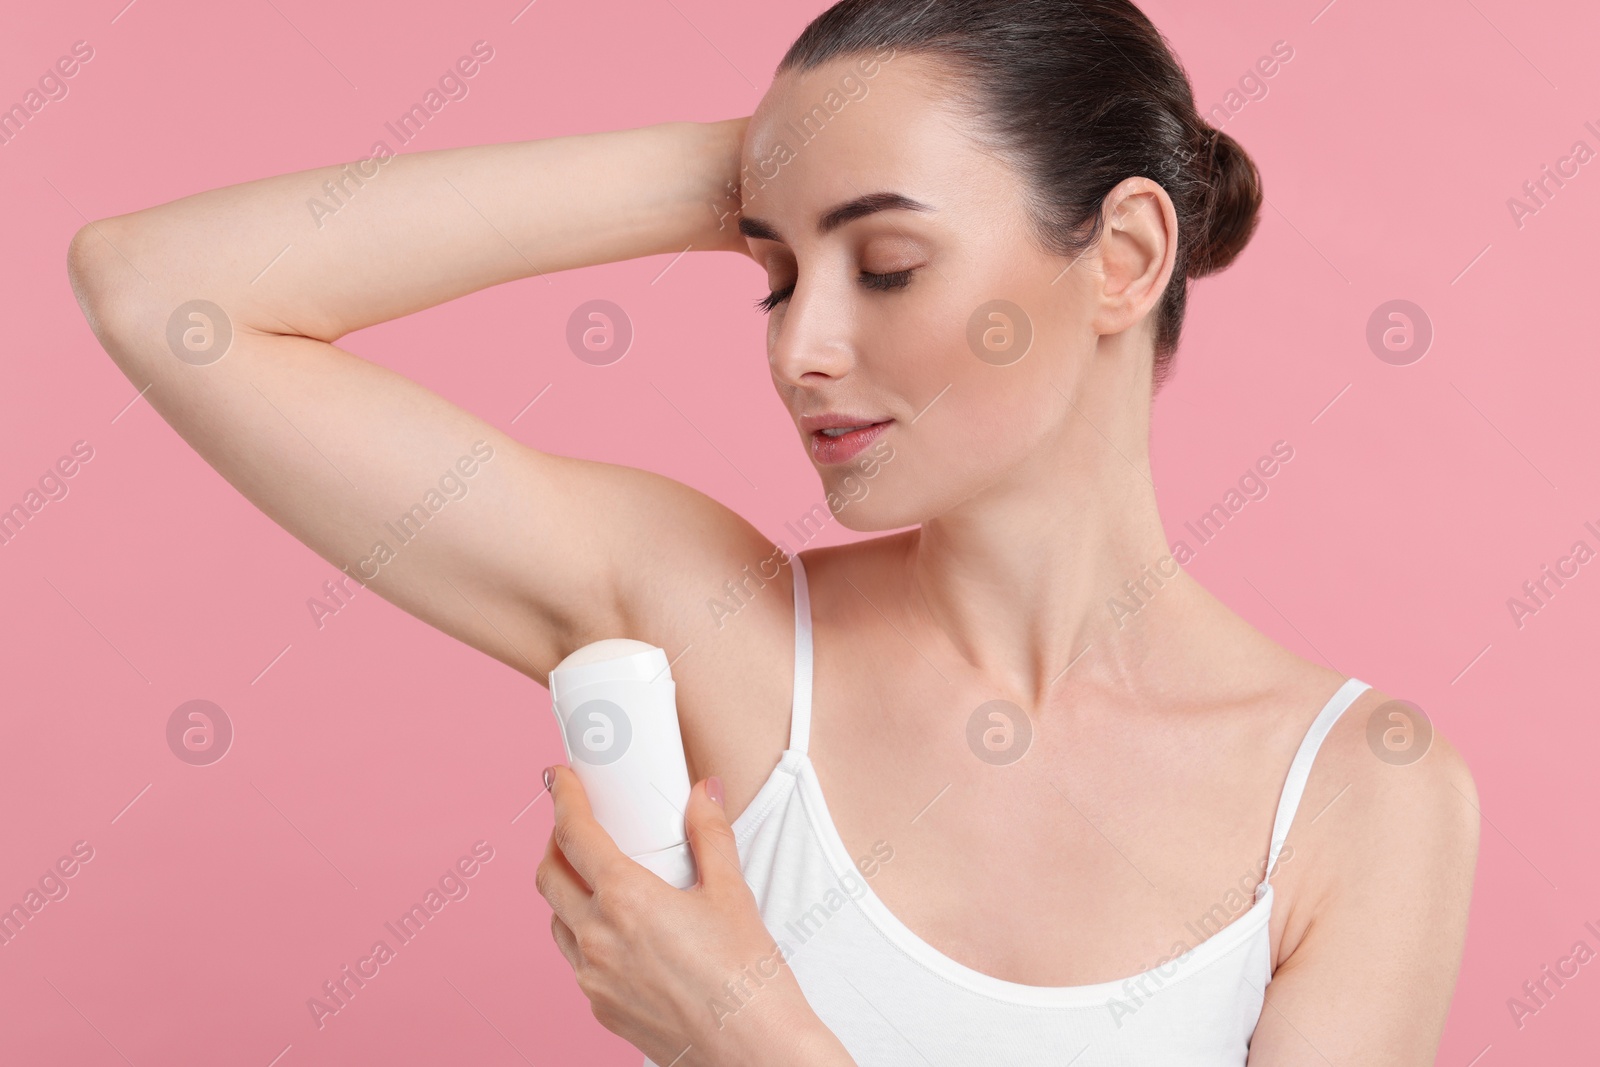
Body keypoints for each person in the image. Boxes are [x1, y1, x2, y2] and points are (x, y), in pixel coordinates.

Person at [66, 0, 1478, 1063]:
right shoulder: (723, 641)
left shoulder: (1362, 801)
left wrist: (749, 1039)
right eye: (773, 274)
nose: (801, 346)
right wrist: (766, 173)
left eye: (886, 264)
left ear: (1123, 258)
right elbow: (161, 291)